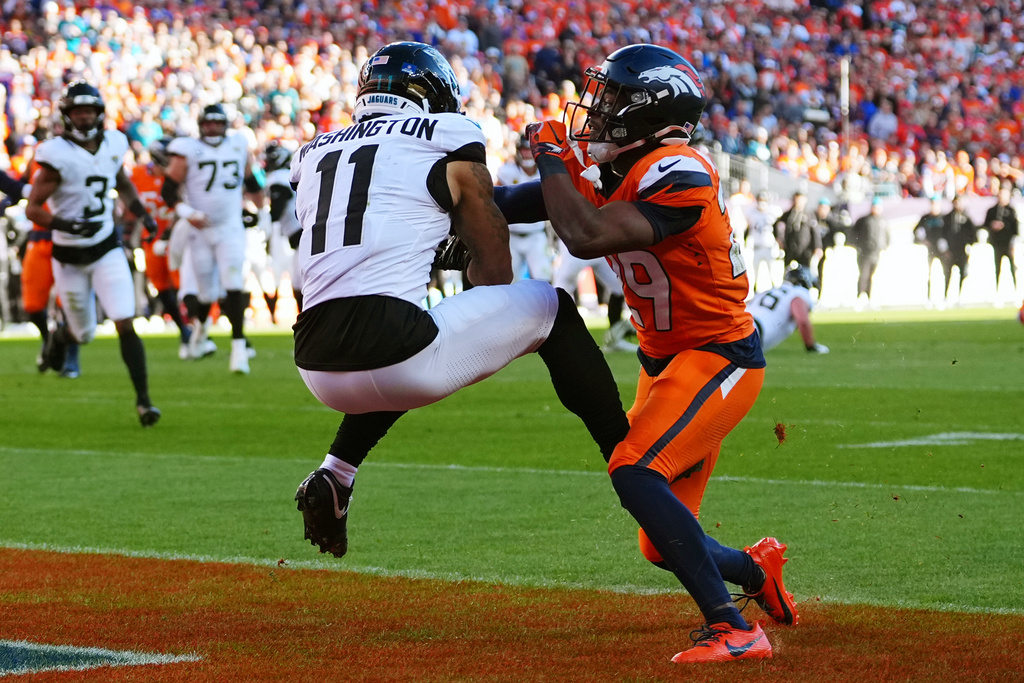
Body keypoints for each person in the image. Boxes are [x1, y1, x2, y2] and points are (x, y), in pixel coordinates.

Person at [289, 42, 629, 569]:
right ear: (433, 95)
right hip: (394, 350)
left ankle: (336, 473)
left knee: (416, 330)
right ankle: (630, 460)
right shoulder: (448, 134)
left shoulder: (313, 152)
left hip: (314, 361)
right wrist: (470, 248)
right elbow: (494, 279)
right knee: (552, 309)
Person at [526, 43, 795, 663]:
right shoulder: (621, 169)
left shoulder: (680, 169)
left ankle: (735, 628)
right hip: (665, 361)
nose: (599, 110)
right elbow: (517, 202)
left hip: (717, 355)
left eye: (614, 98)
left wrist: (550, 157)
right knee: (660, 540)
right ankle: (756, 575)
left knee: (634, 469)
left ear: (651, 109)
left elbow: (585, 236)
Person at [24, 80, 160, 426]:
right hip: (69, 256)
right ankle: (60, 336)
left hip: (105, 247)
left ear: (100, 113)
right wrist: (66, 224)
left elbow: (120, 179)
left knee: (124, 320)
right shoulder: (55, 155)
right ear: (67, 115)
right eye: (77, 111)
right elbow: (33, 208)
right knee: (82, 333)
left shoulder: (114, 142)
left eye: (89, 110)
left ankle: (144, 402)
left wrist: (141, 213)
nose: (84, 117)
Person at [161, 103, 264, 374]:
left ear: (225, 124)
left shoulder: (239, 144)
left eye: (217, 123)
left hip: (230, 226)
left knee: (232, 282)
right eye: (208, 124)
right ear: (200, 125)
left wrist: (261, 211)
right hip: (199, 228)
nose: (213, 128)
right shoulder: (188, 149)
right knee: (205, 292)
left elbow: (252, 182)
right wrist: (187, 212)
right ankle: (202, 329)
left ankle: (239, 348)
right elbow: (168, 189)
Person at [133, 136, 192, 357]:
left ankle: (194, 329)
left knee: (184, 284)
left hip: (177, 236)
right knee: (162, 287)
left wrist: (167, 235)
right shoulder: (138, 174)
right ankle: (184, 330)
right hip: (151, 239)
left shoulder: (181, 176)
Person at [495, 135, 552, 283]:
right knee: (508, 281)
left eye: (529, 150)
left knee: (543, 279)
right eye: (524, 149)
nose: (527, 154)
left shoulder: (545, 171)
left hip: (536, 235)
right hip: (511, 236)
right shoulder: (507, 171)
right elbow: (494, 199)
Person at [262, 141, 303, 315]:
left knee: (300, 284)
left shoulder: (279, 176)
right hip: (301, 235)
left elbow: (277, 209)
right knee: (297, 282)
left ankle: (308, 322)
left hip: (302, 235)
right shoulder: (288, 175)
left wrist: (266, 227)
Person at [747, 266, 829, 353]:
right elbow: (802, 321)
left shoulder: (771, 290)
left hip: (741, 321)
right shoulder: (799, 292)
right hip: (753, 331)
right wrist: (811, 346)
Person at [849, 197, 889, 309]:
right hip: (865, 252)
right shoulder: (864, 220)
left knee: (872, 276)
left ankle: (870, 297)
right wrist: (858, 246)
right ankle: (860, 296)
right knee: (863, 274)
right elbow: (853, 234)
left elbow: (886, 236)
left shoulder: (883, 221)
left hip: (877, 252)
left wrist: (885, 247)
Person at [940, 194, 978, 303]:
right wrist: (945, 248)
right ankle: (946, 296)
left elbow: (972, 233)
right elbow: (942, 234)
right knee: (947, 273)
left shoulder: (967, 217)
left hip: (962, 250)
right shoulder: (947, 218)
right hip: (950, 250)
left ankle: (961, 295)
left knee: (963, 272)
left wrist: (969, 246)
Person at [983, 186, 1018, 298]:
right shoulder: (992, 211)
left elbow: (1015, 229)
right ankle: (997, 292)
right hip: (996, 243)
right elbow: (985, 224)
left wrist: (1013, 243)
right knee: (997, 267)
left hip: (1008, 244)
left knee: (1012, 267)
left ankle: (1015, 291)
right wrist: (992, 225)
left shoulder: (1011, 211)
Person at [775, 190, 822, 272]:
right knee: (788, 271)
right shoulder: (789, 214)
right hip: (790, 249)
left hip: (804, 252)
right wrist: (779, 238)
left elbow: (815, 232)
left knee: (803, 273)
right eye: (797, 199)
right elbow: (777, 224)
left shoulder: (809, 215)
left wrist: (817, 247)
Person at [914, 197, 948, 304]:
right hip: (930, 249)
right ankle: (928, 297)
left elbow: (949, 232)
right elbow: (916, 232)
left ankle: (944, 296)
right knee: (928, 273)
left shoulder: (944, 218)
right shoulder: (925, 218)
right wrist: (923, 241)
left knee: (945, 272)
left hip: (942, 249)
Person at [745, 191, 781, 292]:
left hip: (769, 247)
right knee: (755, 271)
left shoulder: (772, 212)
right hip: (757, 246)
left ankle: (774, 289)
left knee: (772, 271)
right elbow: (748, 227)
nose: (762, 203)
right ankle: (756, 289)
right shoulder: (751, 212)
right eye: (760, 200)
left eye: (764, 200)